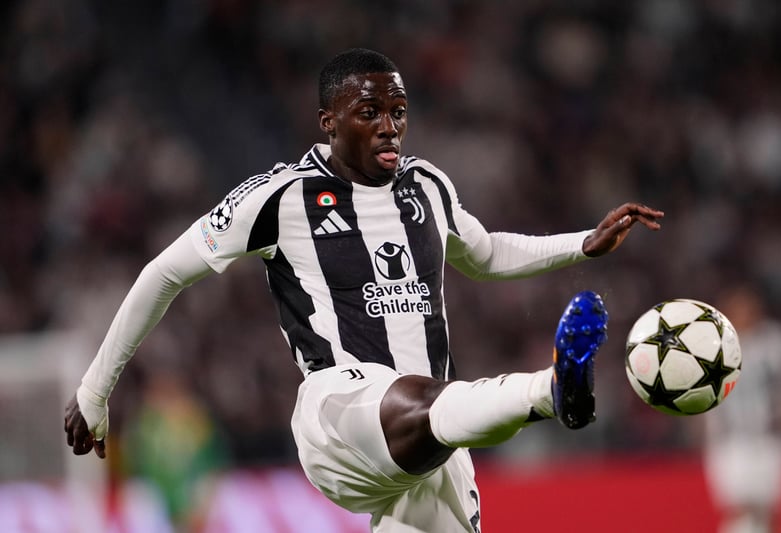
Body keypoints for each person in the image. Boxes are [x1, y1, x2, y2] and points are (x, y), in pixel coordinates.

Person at [64, 48, 664, 532]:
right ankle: (554, 389)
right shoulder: (280, 197)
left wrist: (583, 243)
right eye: (370, 112)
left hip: (430, 442)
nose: (389, 127)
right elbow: (164, 273)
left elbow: (484, 255)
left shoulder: (426, 184)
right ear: (329, 122)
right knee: (426, 400)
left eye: (398, 111)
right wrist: (95, 391)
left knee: (434, 408)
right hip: (338, 416)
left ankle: (547, 392)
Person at [703, 283, 781, 533]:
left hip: (770, 436)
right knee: (739, 506)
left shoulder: (776, 340)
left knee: (770, 507)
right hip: (730, 438)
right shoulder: (713, 345)